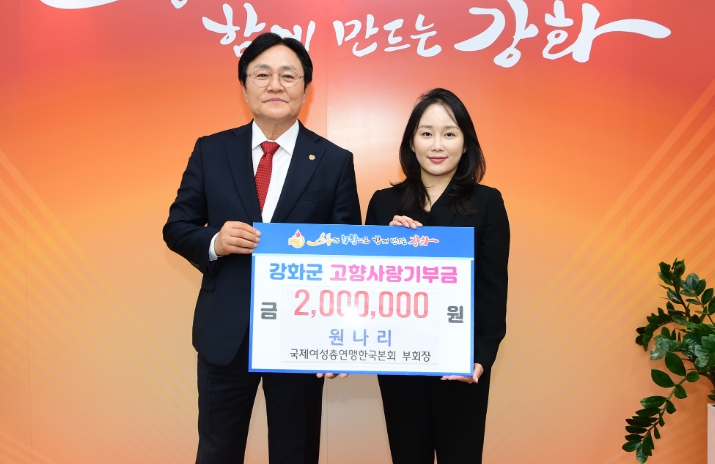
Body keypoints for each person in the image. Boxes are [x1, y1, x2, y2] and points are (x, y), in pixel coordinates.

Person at [163, 32, 361, 464]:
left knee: (296, 452)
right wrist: (214, 241)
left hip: (302, 336)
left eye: (288, 76)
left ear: (306, 89)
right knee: (217, 451)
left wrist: (339, 339)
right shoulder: (211, 150)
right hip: (226, 334)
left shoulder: (333, 161)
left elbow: (347, 254)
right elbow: (177, 227)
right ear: (244, 86)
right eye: (262, 75)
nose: (275, 85)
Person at [365, 88, 509, 464]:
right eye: (426, 133)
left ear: (466, 142)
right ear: (411, 142)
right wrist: (387, 245)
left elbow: (493, 288)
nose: (437, 144)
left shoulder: (487, 203)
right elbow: (367, 287)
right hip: (399, 360)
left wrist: (481, 357)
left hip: (460, 362)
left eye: (449, 133)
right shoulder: (383, 203)